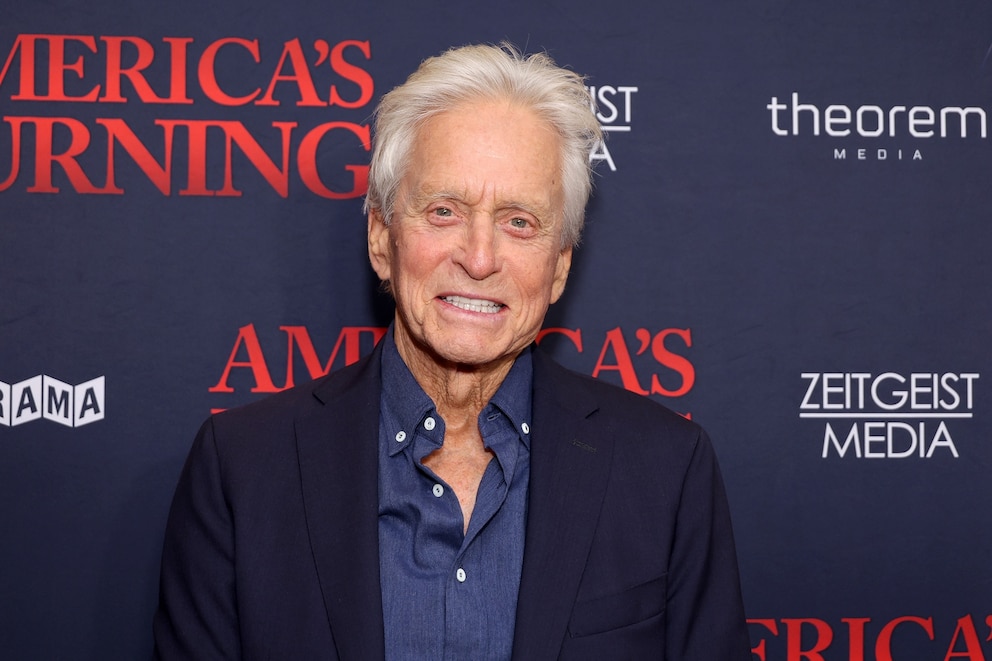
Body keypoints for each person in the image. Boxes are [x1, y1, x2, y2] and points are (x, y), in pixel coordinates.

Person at [154, 43, 750, 660]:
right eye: (443, 211)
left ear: (560, 268)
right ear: (382, 239)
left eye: (519, 222)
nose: (479, 257)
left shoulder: (665, 469)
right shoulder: (244, 469)